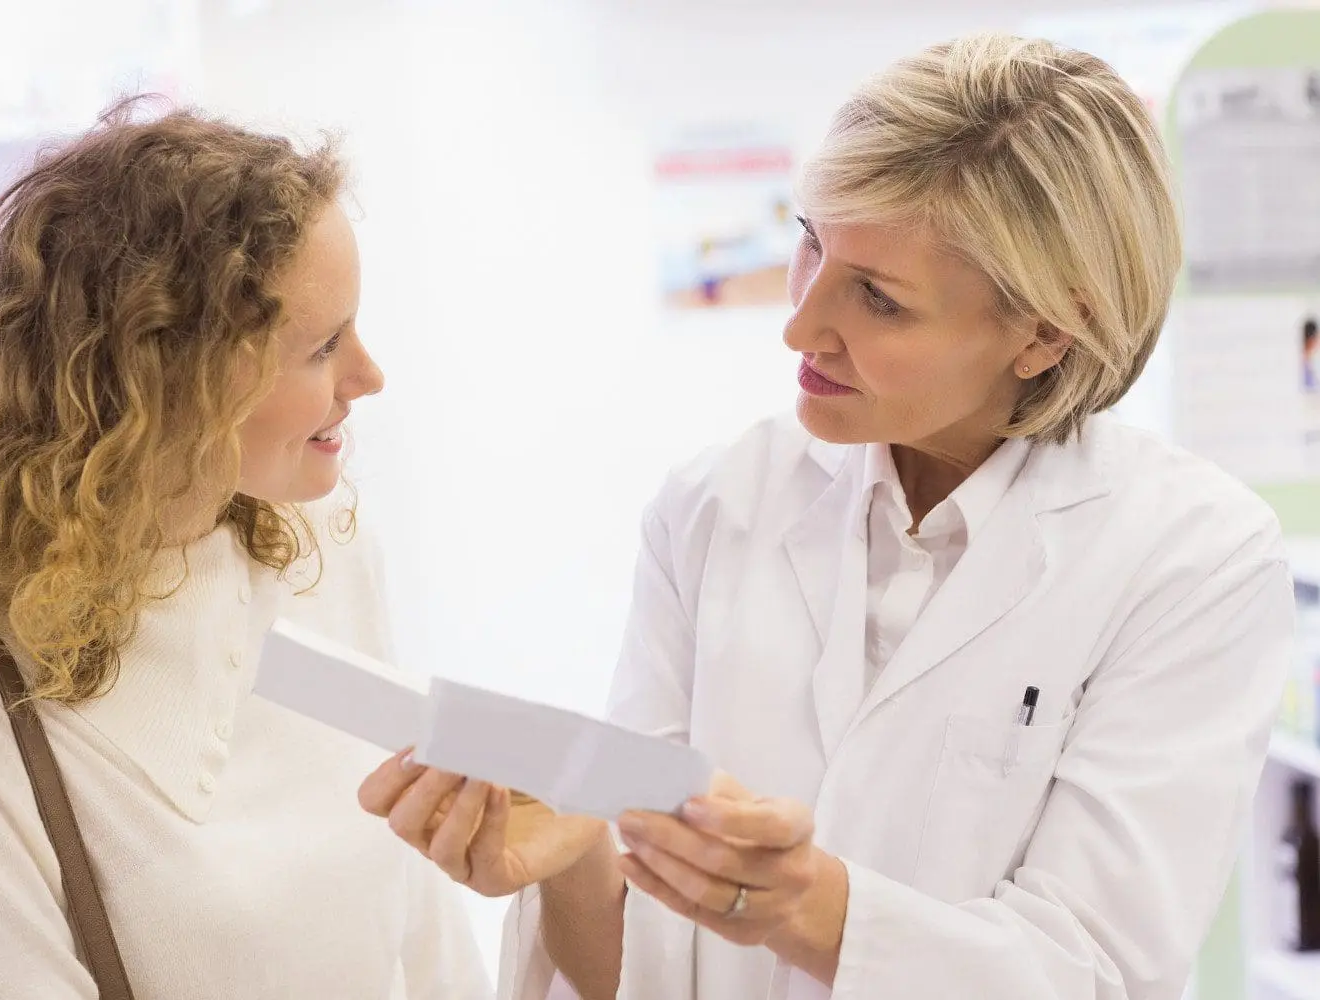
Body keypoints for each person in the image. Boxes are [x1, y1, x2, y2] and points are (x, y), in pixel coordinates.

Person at [359, 33, 1297, 1000]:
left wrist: (807, 909)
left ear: (1046, 331)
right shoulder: (716, 504)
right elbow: (631, 971)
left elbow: (1093, 972)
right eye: (811, 242)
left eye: (879, 300)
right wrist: (567, 860)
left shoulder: (1193, 560)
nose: (800, 326)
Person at [0, 102, 489, 999]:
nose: (368, 377)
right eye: (321, 347)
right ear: (171, 374)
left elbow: (427, 951)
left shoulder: (323, 557)